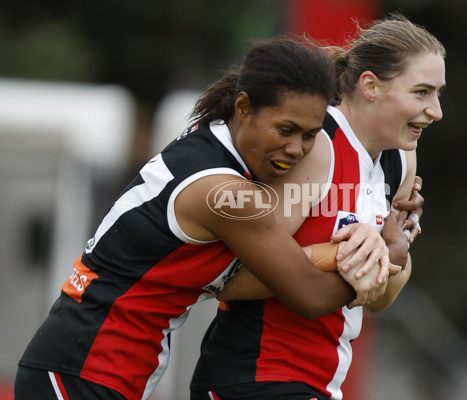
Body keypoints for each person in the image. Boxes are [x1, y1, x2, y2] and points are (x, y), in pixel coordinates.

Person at [14, 37, 392, 400]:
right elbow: (307, 295)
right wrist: (382, 259)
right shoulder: (226, 194)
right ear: (243, 107)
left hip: (93, 367)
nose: (296, 149)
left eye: (310, 135)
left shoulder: (212, 139)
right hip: (86, 366)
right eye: (285, 130)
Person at [189, 13, 446, 400]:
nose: (436, 110)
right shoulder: (318, 146)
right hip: (255, 376)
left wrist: (391, 251)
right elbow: (229, 279)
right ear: (371, 86)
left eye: (438, 93)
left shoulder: (400, 161)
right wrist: (343, 255)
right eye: (422, 92)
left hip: (319, 382)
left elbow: (381, 298)